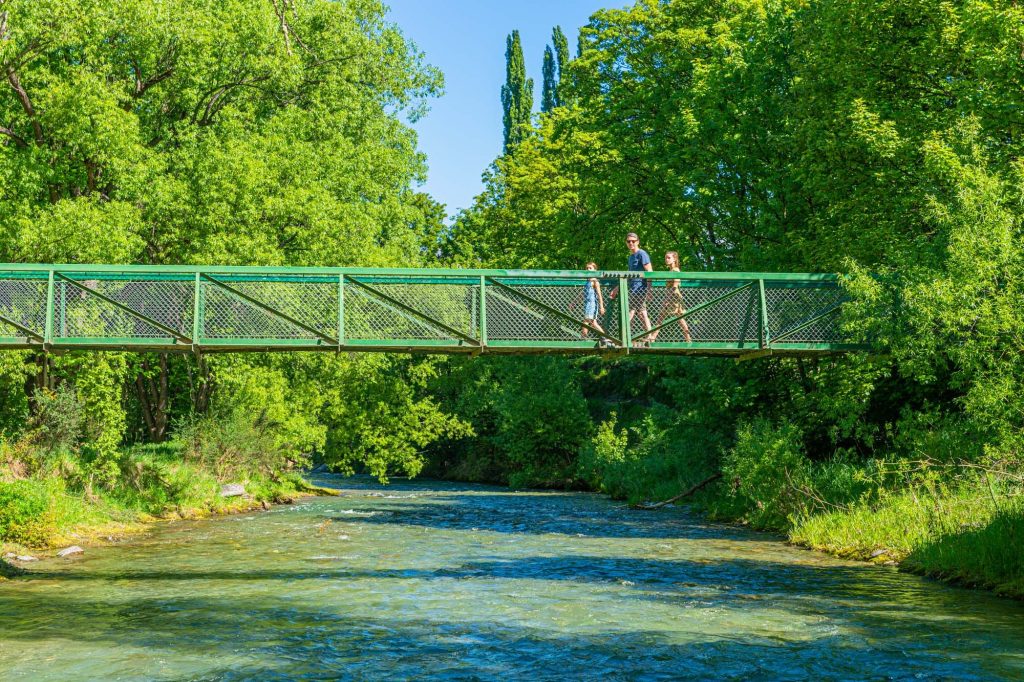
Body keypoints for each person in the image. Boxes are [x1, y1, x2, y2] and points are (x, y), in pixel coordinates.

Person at [609, 232, 653, 342]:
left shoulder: (642, 254)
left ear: (638, 242)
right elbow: (628, 275)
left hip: (641, 288)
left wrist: (649, 290)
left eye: (633, 241)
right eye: (629, 241)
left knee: (633, 312)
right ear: (626, 243)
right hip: (634, 288)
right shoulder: (631, 257)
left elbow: (650, 272)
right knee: (641, 313)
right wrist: (617, 288)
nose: (631, 243)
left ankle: (624, 336)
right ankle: (644, 336)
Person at [649, 251, 692, 343]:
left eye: (669, 258)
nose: (667, 260)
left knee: (666, 318)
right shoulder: (671, 270)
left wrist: (667, 299)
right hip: (671, 296)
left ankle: (652, 339)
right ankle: (688, 339)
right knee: (677, 318)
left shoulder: (675, 270)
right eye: (666, 258)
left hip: (674, 297)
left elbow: (675, 286)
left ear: (674, 259)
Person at [579, 261, 606, 338]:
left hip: (592, 304)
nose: (588, 269)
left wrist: (601, 306)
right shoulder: (587, 281)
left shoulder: (595, 281)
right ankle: (605, 337)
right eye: (587, 268)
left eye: (590, 268)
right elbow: (583, 294)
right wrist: (574, 302)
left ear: (595, 270)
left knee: (587, 321)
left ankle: (583, 338)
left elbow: (599, 295)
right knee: (592, 322)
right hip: (587, 304)